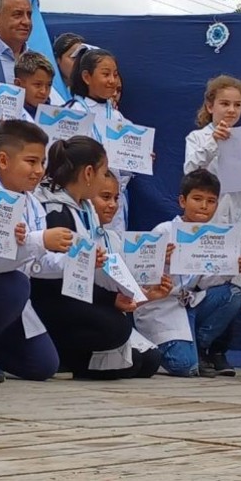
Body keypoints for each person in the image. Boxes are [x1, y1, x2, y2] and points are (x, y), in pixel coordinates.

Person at [31, 136, 161, 379]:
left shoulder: (84, 209)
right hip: (54, 302)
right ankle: (66, 353)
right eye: (103, 172)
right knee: (116, 329)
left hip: (83, 296)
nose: (105, 178)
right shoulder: (55, 210)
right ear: (89, 173)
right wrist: (109, 299)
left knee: (148, 360)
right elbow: (55, 281)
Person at [0, 120, 65, 382]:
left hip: (13, 303)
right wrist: (39, 240)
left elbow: (39, 265)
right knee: (13, 285)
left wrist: (80, 261)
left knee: (43, 366)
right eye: (31, 162)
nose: (39, 171)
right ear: (3, 160)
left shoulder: (33, 203)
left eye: (42, 163)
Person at [184, 74, 241, 376]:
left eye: (237, 105)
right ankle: (194, 342)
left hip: (235, 227)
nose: (231, 110)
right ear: (210, 105)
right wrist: (213, 142)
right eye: (224, 103)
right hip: (205, 226)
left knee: (233, 288)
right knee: (203, 284)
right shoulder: (198, 138)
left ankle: (217, 350)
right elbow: (190, 170)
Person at [134, 170, 241, 377]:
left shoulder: (210, 237)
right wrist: (159, 260)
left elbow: (205, 283)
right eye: (197, 199)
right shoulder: (164, 231)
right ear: (182, 201)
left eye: (211, 201)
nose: (204, 206)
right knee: (186, 367)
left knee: (232, 293)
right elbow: (139, 273)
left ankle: (199, 345)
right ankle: (155, 345)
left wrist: (230, 268)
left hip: (190, 304)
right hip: (161, 306)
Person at [90, 171, 168, 367]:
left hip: (111, 311)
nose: (112, 205)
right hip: (88, 311)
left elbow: (126, 295)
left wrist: (150, 295)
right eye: (105, 197)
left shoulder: (114, 239)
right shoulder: (81, 233)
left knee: (150, 361)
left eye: (116, 198)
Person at [66, 47, 134, 233]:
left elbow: (126, 169)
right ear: (87, 77)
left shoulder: (118, 117)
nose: (112, 81)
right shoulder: (74, 112)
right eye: (106, 74)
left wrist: (138, 157)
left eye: (115, 74)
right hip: (85, 196)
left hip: (113, 200)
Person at [14, 51, 54, 121]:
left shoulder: (56, 118)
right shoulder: (6, 116)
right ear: (18, 84)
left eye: (49, 85)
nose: (44, 91)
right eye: (37, 85)